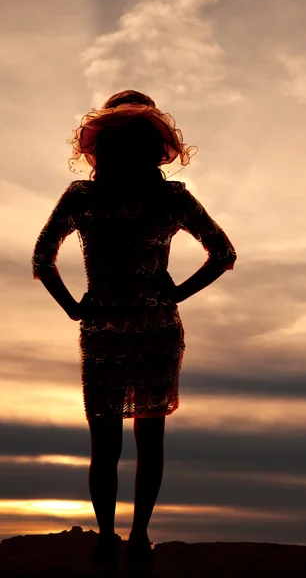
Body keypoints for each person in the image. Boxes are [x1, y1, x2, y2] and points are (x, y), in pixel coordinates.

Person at [31, 89, 237, 567]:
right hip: (155, 328)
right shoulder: (169, 198)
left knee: (104, 445)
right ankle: (138, 537)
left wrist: (73, 308)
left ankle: (107, 539)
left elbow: (43, 258)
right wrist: (177, 293)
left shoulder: (84, 196)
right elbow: (223, 255)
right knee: (149, 441)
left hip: (102, 328)